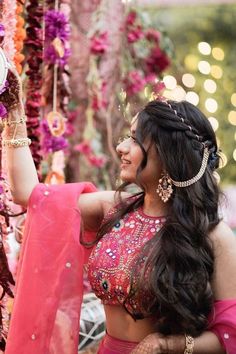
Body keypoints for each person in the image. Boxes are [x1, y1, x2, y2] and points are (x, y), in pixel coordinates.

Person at [1, 66, 236, 354]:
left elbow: (229, 337)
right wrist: (14, 111)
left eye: (135, 139)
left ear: (168, 153)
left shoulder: (213, 234)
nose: (121, 147)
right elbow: (29, 194)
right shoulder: (114, 210)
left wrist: (166, 344)